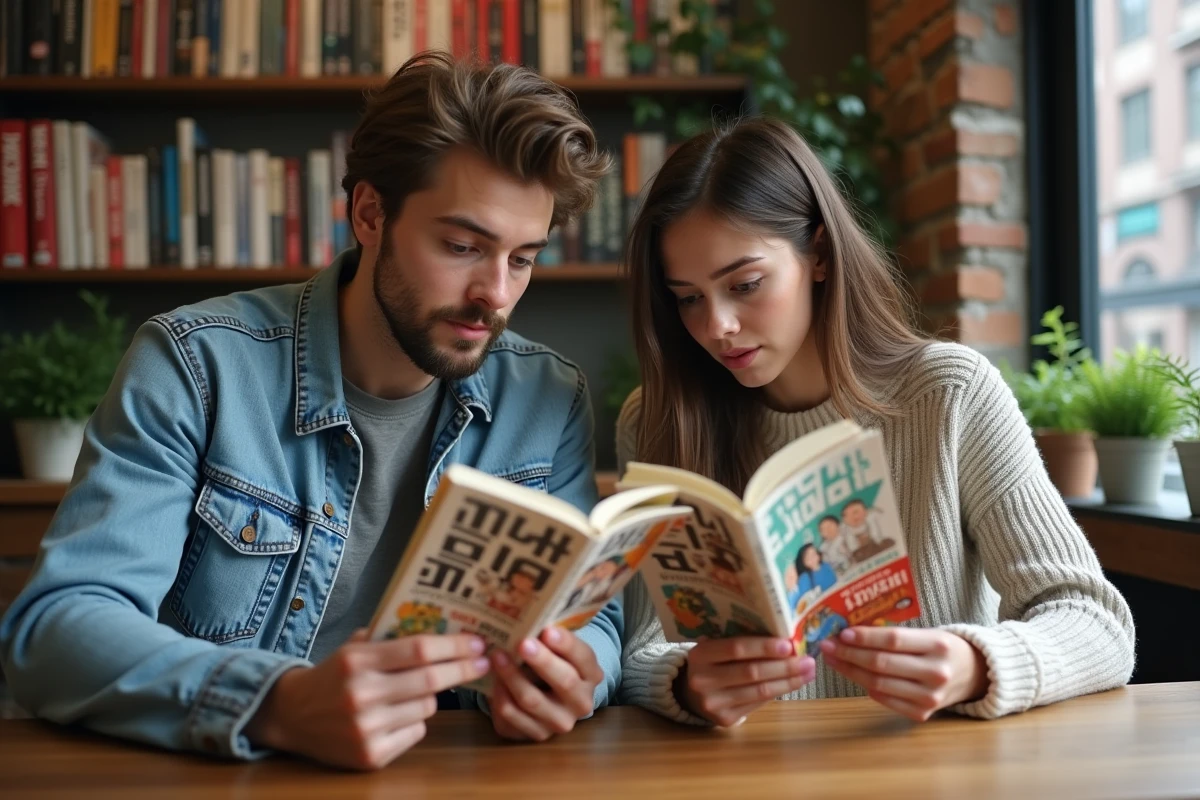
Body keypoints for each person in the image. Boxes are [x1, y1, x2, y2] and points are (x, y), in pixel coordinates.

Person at [0, 53, 618, 770]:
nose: (497, 294)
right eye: (462, 246)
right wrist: (278, 702)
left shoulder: (547, 398)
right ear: (370, 214)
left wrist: (575, 672)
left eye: (523, 258)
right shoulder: (195, 366)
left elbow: (592, 619)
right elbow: (56, 630)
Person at [616, 116, 1135, 729]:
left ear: (819, 255)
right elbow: (641, 649)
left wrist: (976, 664)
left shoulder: (950, 394)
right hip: (751, 768)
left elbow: (1095, 621)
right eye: (688, 297)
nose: (717, 326)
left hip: (930, 764)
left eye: (745, 284)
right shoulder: (657, 421)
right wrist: (685, 682)